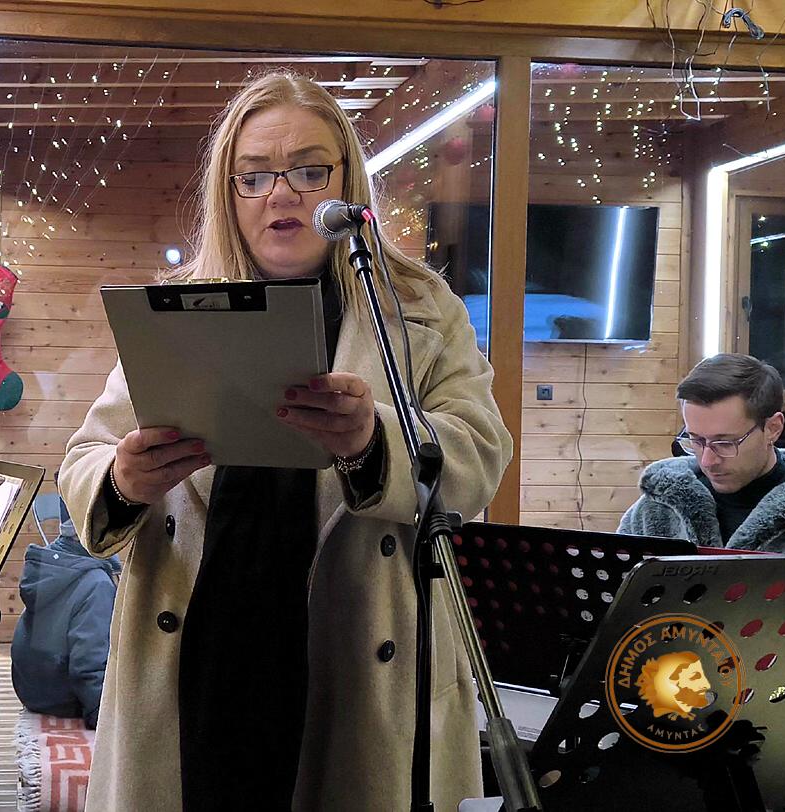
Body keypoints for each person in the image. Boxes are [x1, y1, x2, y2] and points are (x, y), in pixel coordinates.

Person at [57, 71, 513, 812]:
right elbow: (86, 460)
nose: (281, 194)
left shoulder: (422, 310)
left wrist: (374, 440)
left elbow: (480, 453)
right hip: (199, 653)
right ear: (229, 195)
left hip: (357, 652)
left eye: (308, 170)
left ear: (346, 181)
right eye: (254, 176)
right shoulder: (176, 310)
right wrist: (125, 479)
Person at [618, 353, 785, 552]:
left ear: (773, 428)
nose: (707, 461)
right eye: (696, 440)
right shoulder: (658, 506)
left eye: (725, 443)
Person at [11, 496, 120, 729]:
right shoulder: (96, 584)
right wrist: (106, 723)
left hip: (31, 689)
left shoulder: (51, 562)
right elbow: (89, 665)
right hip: (63, 697)